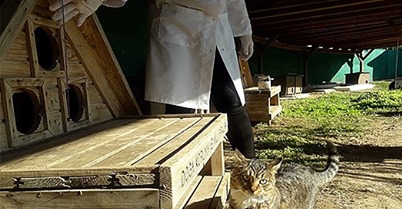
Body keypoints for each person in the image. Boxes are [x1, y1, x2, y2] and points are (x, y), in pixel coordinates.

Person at [49, 0, 256, 158]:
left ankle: (253, 169)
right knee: (179, 110)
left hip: (219, 24)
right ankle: (180, 182)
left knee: (231, 100)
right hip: (179, 23)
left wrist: (244, 30)